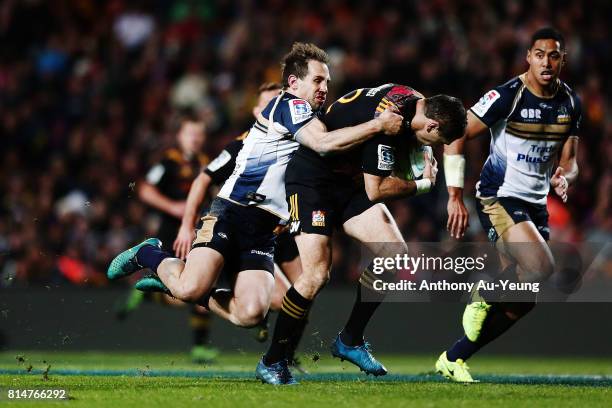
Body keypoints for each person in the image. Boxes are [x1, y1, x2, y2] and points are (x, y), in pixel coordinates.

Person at [106, 42, 403, 383]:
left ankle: (177, 284)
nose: (324, 88)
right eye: (318, 80)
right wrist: (378, 125)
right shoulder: (289, 105)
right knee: (188, 289)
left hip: (265, 231)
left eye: (327, 82)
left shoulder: (316, 119)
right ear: (293, 83)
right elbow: (321, 144)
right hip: (232, 213)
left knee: (249, 315)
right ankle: (149, 252)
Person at [259, 83, 466, 383]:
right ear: (432, 123)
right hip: (312, 180)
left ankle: (350, 340)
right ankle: (272, 360)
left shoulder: (416, 99)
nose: (431, 146)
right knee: (316, 274)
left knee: (394, 254)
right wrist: (423, 183)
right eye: (435, 139)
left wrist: (421, 149)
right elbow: (376, 189)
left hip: (346, 180)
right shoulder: (389, 122)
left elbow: (415, 137)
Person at [437, 27, 581, 382]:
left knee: (521, 302)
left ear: (563, 60)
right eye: (540, 54)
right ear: (528, 58)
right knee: (540, 268)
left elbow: (571, 159)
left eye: (554, 55)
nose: (547, 62)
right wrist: (455, 195)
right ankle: (483, 291)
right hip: (499, 196)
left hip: (535, 206)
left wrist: (565, 175)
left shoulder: (570, 102)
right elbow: (455, 132)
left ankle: (453, 358)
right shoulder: (507, 96)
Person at [172, 82, 308, 369]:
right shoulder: (244, 143)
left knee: (295, 298)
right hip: (239, 222)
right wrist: (186, 224)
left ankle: (283, 355)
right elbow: (203, 178)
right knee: (194, 288)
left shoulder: (305, 134)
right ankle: (274, 349)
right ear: (259, 111)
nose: (279, 107)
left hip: (278, 228)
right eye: (271, 103)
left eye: (282, 101)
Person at [114, 111, 218, 363]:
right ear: (180, 136)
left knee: (201, 283)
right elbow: (145, 190)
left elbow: (213, 192)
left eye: (199, 134)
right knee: (182, 293)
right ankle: (150, 293)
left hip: (195, 231)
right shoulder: (168, 161)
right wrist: (172, 206)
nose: (195, 138)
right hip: (171, 233)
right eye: (190, 133)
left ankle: (199, 346)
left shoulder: (205, 162)